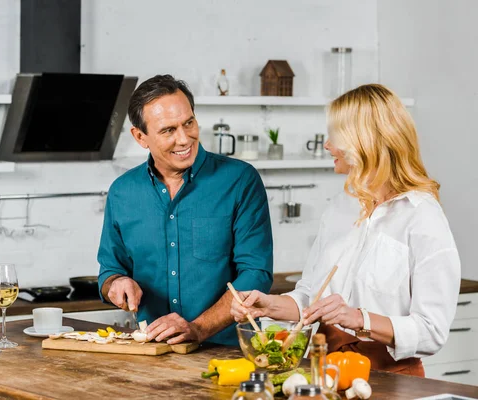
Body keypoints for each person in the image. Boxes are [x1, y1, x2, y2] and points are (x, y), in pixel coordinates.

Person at [230, 84, 461, 376]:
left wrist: (359, 318)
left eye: (335, 135)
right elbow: (311, 298)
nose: (327, 145)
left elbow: (432, 331)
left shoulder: (422, 215)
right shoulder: (341, 206)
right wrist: (269, 306)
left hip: (391, 379)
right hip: (324, 370)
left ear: (365, 140)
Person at [97, 74, 273, 346]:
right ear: (140, 136)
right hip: (153, 352)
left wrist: (198, 328)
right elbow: (110, 269)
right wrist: (117, 283)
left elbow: (256, 274)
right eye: (168, 130)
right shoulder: (122, 192)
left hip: (232, 353)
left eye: (188, 123)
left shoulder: (240, 180)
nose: (184, 139)